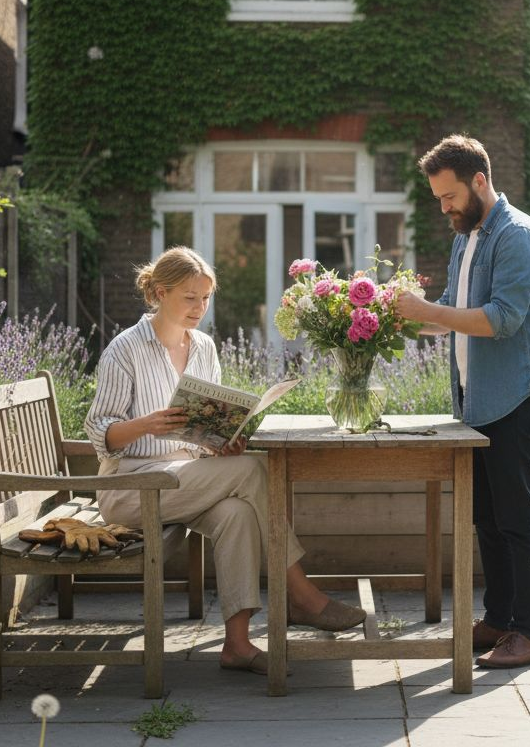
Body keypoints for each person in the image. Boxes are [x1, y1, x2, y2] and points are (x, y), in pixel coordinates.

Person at [84, 246, 366, 675]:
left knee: (236, 512)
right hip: (130, 487)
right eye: (189, 297)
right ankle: (302, 595)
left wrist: (223, 442)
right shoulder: (126, 349)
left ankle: (237, 644)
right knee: (254, 469)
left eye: (206, 297)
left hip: (186, 476)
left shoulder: (203, 348)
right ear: (160, 292)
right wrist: (147, 424)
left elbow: (200, 434)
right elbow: (100, 433)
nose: (200, 307)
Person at [395, 135, 530, 668]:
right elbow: (451, 308)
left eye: (450, 197)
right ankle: (500, 619)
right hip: (475, 400)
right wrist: (405, 316)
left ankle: (529, 635)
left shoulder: (517, 236)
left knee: (517, 518)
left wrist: (431, 312)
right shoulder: (467, 235)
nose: (444, 208)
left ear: (480, 182)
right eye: (439, 199)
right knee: (487, 518)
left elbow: (501, 320)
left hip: (515, 396)